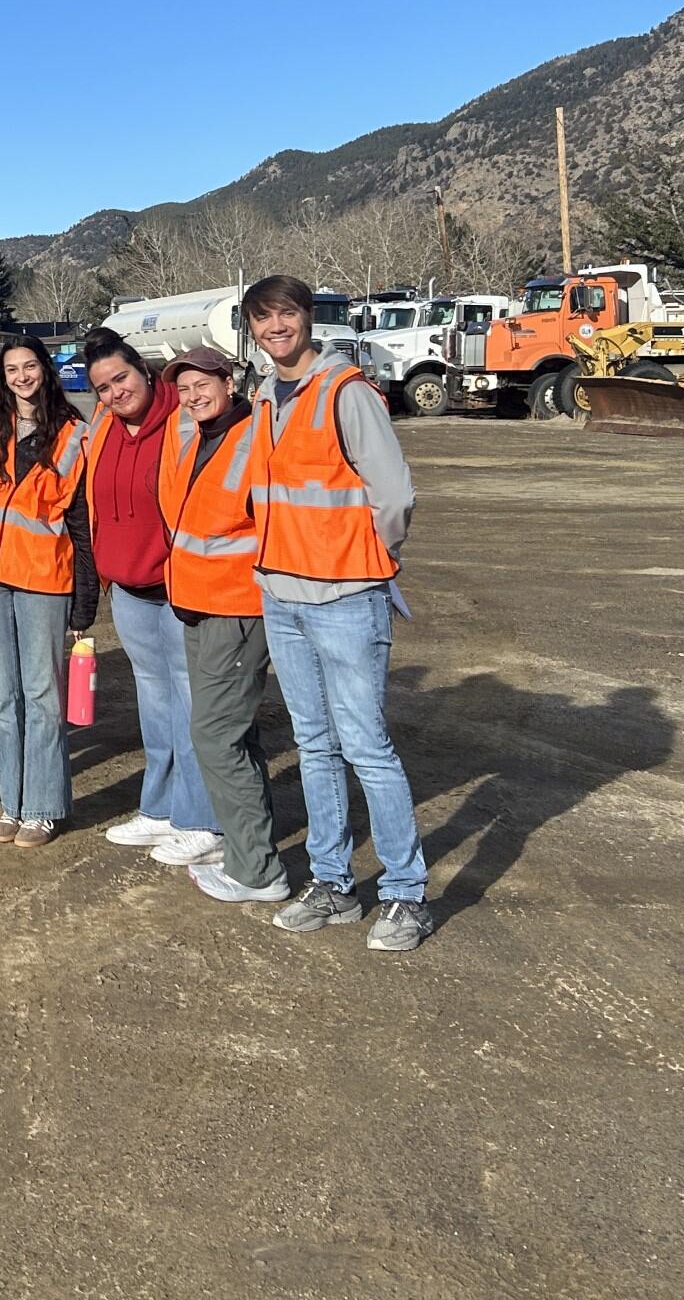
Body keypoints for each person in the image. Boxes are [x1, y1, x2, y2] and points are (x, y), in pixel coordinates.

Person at [241, 274, 432, 953]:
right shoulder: (265, 396)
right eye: (262, 319)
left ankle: (406, 893)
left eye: (285, 315)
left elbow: (394, 496)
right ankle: (332, 883)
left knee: (366, 748)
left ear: (306, 319)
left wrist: (369, 559)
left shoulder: (345, 392)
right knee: (315, 745)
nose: (276, 328)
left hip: (345, 597)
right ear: (252, 330)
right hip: (282, 594)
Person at [0, 335, 97, 846]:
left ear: (44, 369)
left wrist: (84, 599)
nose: (21, 377)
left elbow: (81, 522)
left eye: (29, 366)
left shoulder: (75, 434)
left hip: (42, 581)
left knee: (42, 695)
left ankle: (43, 807)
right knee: (2, 696)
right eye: (12, 369)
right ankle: (12, 803)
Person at [79, 330, 221, 863]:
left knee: (191, 704)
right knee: (155, 703)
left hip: (177, 587)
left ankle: (201, 818)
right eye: (103, 387)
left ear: (143, 370)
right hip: (130, 591)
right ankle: (160, 808)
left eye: (121, 378)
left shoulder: (183, 421)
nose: (116, 392)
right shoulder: (104, 425)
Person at [157, 345, 291, 907]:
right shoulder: (197, 437)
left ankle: (258, 872)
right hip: (198, 602)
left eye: (203, 385)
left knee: (215, 736)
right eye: (184, 388)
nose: (193, 396)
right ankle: (245, 848)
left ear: (229, 382)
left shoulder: (255, 436)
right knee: (236, 734)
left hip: (237, 608)